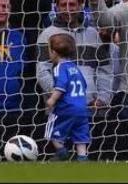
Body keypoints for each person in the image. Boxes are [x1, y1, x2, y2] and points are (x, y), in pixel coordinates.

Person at [37, 0, 114, 111]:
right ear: (56, 7)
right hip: (61, 109)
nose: (68, 9)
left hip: (92, 108)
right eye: (63, 5)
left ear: (81, 5)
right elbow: (42, 72)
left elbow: (105, 69)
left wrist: (102, 99)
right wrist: (60, 96)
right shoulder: (47, 35)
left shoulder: (93, 34)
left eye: (72, 4)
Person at [45, 33, 90, 161]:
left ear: (53, 52)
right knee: (80, 135)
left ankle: (61, 151)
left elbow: (61, 85)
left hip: (66, 108)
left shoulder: (60, 67)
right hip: (82, 109)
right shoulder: (75, 67)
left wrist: (52, 99)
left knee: (52, 131)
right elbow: (84, 85)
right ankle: (82, 158)